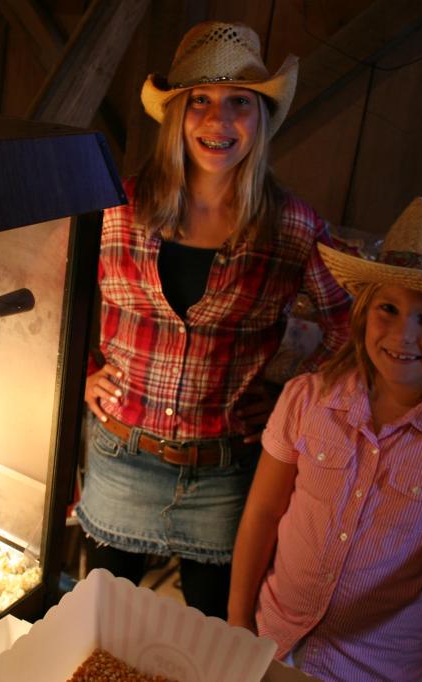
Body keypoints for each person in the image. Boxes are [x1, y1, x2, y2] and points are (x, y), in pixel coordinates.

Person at [75, 20, 352, 619]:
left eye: (239, 104)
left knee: (215, 633)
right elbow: (55, 297)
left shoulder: (293, 228)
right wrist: (83, 371)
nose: (217, 121)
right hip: (121, 454)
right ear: (176, 113)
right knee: (97, 621)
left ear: (261, 119)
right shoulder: (115, 208)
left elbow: (352, 328)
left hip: (226, 474)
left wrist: (288, 401)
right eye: (199, 100)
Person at [228, 197, 422, 680]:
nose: (402, 335)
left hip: (373, 669)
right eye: (389, 309)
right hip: (272, 642)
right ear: (363, 314)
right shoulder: (306, 399)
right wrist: (237, 623)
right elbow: (264, 512)